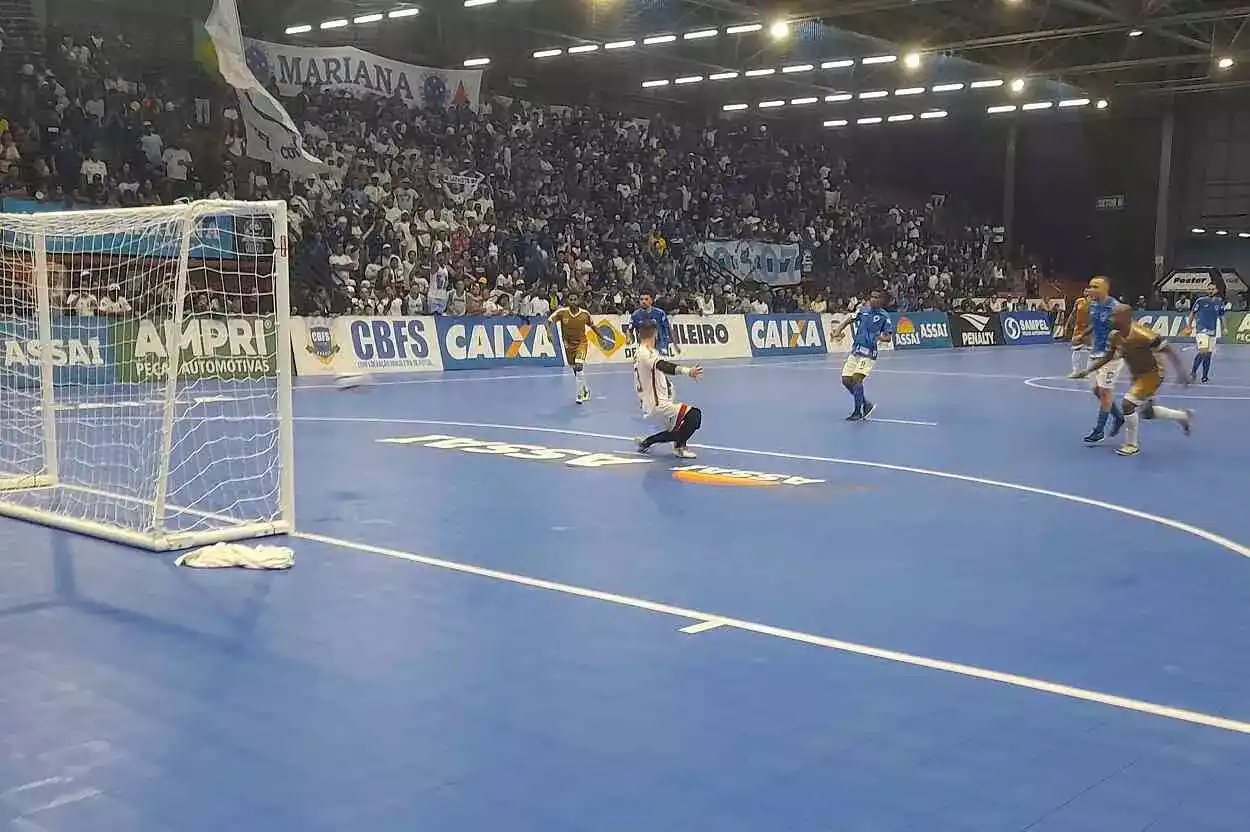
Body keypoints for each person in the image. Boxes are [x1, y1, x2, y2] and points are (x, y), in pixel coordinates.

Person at [1071, 303, 1191, 456]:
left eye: (1114, 316)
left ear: (1126, 318)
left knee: (1127, 404)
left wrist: (1181, 373)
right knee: (1148, 412)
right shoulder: (1115, 335)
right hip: (1136, 374)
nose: (1110, 318)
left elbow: (1169, 350)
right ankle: (1183, 415)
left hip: (1153, 373)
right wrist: (1087, 371)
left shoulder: (1144, 335)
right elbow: (1108, 357)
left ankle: (1131, 445)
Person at [633, 319, 703, 458]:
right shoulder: (647, 353)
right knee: (694, 416)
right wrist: (687, 371)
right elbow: (663, 366)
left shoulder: (640, 352)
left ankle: (646, 443)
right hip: (658, 404)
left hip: (651, 403)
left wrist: (667, 387)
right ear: (656, 333)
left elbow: (654, 373)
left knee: (677, 429)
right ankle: (679, 447)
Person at [1073, 277, 1125, 445]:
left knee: (1104, 392)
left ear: (1105, 288)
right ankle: (1118, 417)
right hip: (1095, 353)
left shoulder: (1116, 308)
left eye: (1095, 286)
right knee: (1096, 390)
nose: (1091, 289)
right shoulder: (1093, 305)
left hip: (1111, 356)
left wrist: (1120, 349)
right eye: (1090, 286)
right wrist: (1082, 335)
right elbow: (1095, 324)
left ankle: (1099, 430)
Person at [830, 288, 894, 421]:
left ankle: (857, 412)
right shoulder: (863, 310)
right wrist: (838, 329)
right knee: (846, 380)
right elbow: (850, 319)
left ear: (881, 300)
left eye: (876, 297)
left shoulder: (884, 316)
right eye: (872, 297)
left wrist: (880, 337)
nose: (873, 299)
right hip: (856, 350)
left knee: (857, 379)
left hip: (869, 353)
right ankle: (866, 404)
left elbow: (888, 337)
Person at [549, 293, 595, 404]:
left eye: (575, 299)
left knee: (579, 366)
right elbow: (549, 321)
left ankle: (579, 395)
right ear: (568, 301)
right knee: (576, 369)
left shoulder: (585, 314)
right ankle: (585, 389)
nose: (573, 301)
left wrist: (601, 337)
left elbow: (593, 326)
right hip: (568, 345)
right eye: (571, 299)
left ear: (578, 301)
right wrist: (549, 332)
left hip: (581, 343)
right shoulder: (562, 312)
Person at [1187, 284, 1227, 384]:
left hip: (1212, 331)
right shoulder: (1200, 301)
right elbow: (1192, 313)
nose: (1210, 291)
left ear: (1216, 290)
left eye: (1212, 289)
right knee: (1203, 351)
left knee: (1208, 354)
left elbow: (1222, 316)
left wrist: (1224, 327)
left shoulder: (1219, 302)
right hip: (1202, 330)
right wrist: (1189, 326)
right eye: (1209, 289)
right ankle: (1193, 372)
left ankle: (1204, 376)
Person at [630, 291, 676, 356]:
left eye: (646, 299)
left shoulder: (660, 313)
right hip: (644, 347)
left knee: (659, 361)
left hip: (660, 347)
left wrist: (675, 344)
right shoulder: (635, 315)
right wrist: (630, 339)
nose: (643, 301)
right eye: (641, 299)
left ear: (651, 301)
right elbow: (630, 330)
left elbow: (668, 328)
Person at [1067, 288, 1091, 374]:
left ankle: (1089, 371)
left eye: (1088, 291)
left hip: (1089, 330)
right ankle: (1075, 370)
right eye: (1085, 291)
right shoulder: (1079, 301)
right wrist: (1068, 323)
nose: (1086, 292)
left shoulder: (1095, 303)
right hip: (1078, 329)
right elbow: (1073, 313)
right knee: (1076, 349)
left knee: (1091, 351)